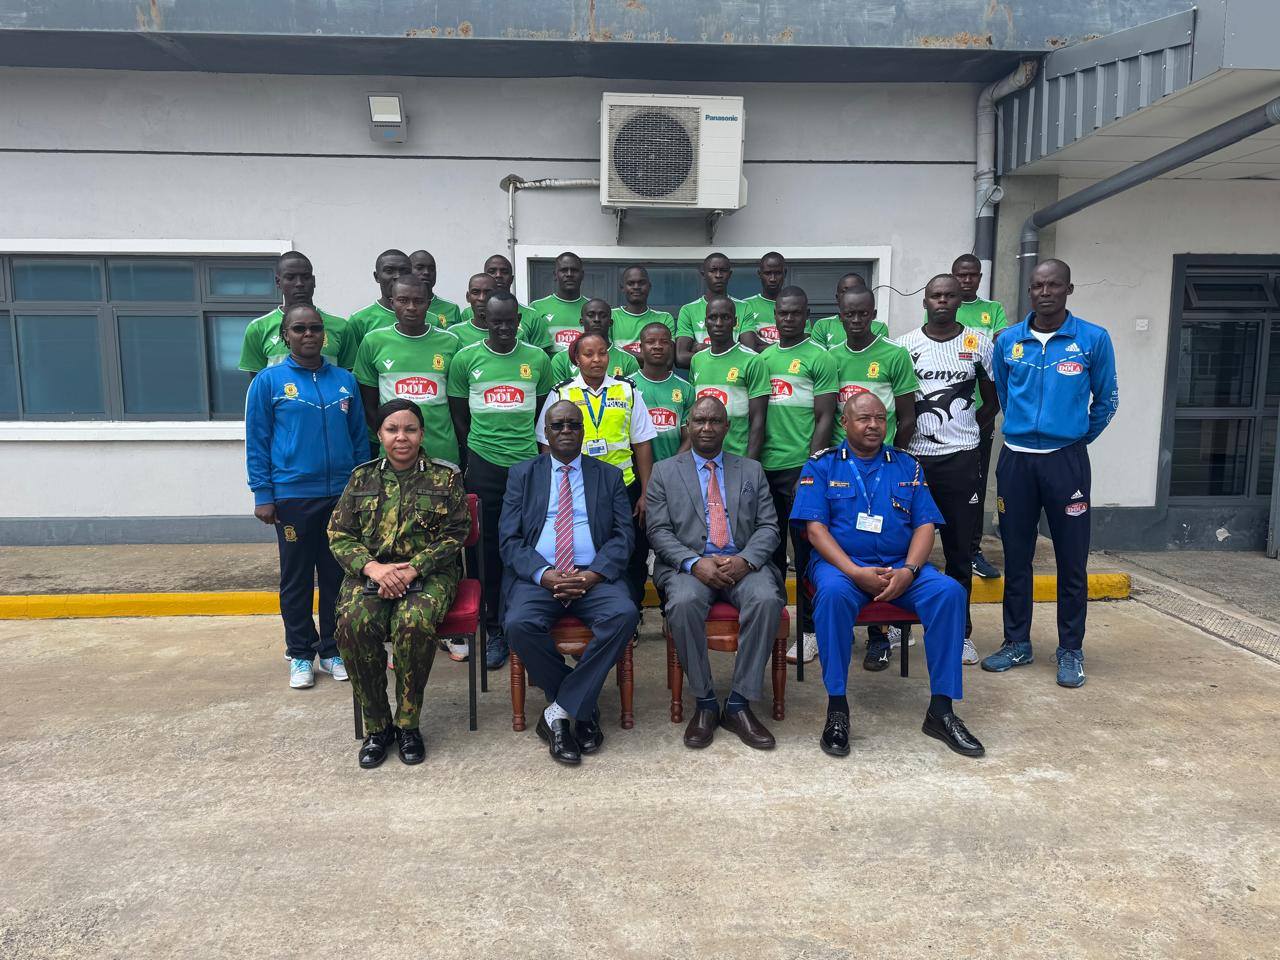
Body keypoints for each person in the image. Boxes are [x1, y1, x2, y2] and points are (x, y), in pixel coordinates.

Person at [792, 393, 986, 759]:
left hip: (901, 565)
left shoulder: (907, 466)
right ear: (845, 423)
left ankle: (941, 711)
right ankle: (837, 708)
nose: (873, 425)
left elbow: (926, 525)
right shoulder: (822, 466)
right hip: (842, 569)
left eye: (880, 418)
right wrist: (854, 572)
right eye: (864, 418)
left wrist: (910, 571)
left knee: (949, 593)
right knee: (831, 597)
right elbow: (815, 530)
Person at [983, 259, 1118, 689]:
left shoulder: (1093, 339)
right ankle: (1016, 642)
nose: (1045, 292)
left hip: (1067, 461)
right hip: (1017, 460)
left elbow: (1107, 400)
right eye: (1038, 285)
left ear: (1068, 289)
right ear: (1030, 291)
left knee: (1071, 560)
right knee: (1016, 556)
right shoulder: (1008, 341)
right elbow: (1004, 392)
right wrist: (1028, 431)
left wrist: (1073, 439)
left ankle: (1070, 649)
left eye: (1054, 285)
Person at [326, 399, 471, 768]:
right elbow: (339, 533)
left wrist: (413, 569)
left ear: (422, 433)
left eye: (409, 429)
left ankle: (408, 724)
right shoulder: (362, 478)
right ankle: (378, 727)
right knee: (352, 624)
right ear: (380, 435)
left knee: (412, 623)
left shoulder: (445, 476)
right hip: (371, 573)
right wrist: (373, 568)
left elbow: (457, 533)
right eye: (392, 430)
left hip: (428, 573)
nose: (401, 437)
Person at [500, 400, 640, 766]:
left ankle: (559, 711)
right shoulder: (522, 474)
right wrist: (544, 575)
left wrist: (592, 575)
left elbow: (624, 537)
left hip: (592, 575)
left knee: (624, 614)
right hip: (540, 576)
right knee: (518, 624)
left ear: (583, 431)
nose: (566, 431)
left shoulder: (608, 476)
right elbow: (509, 540)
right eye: (558, 425)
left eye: (573, 426)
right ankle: (581, 704)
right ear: (545, 432)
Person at [646, 396, 784, 750]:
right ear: (687, 427)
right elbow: (658, 531)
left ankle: (739, 703)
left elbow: (769, 526)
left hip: (743, 564)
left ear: (727, 427)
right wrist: (694, 563)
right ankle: (706, 703)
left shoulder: (751, 470)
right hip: (689, 567)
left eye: (714, 421)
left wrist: (746, 560)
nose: (706, 428)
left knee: (767, 598)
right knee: (684, 603)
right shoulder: (664, 471)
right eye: (699, 421)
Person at [245, 303, 367, 690]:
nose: (309, 334)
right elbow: (257, 441)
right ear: (286, 336)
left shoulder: (344, 380)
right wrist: (263, 493)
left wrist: (361, 487)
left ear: (324, 334)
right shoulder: (269, 381)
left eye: (315, 328)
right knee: (296, 579)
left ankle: (332, 650)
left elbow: (359, 439)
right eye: (299, 329)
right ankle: (299, 653)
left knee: (337, 576)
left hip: (340, 497)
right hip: (292, 497)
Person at [352, 273, 465, 659]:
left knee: (447, 534)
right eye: (404, 301)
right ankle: (391, 603)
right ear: (392, 300)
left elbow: (457, 402)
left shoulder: (450, 343)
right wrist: (391, 440)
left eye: (419, 301)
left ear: (429, 300)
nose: (412, 307)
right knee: (394, 531)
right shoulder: (374, 341)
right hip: (395, 456)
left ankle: (448, 627)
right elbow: (369, 403)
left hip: (442, 454)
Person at [895, 274, 999, 667]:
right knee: (901, 550)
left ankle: (961, 635)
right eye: (935, 296)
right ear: (924, 301)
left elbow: (991, 402)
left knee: (958, 553)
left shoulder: (978, 344)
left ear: (960, 300)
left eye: (949, 296)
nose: (942, 301)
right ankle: (896, 627)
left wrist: (967, 434)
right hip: (914, 460)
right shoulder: (904, 346)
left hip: (960, 460)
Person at [447, 292, 553, 669]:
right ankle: (493, 629)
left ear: (519, 320)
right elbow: (459, 416)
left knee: (530, 545)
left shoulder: (538, 359)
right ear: (484, 320)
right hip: (484, 465)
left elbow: (543, 414)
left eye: (510, 321)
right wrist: (470, 459)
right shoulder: (465, 359)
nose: (504, 328)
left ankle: (526, 622)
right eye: (496, 322)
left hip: (526, 468)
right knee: (485, 551)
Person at [826, 286, 919, 668]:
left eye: (863, 313)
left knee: (879, 544)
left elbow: (908, 415)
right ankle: (839, 628)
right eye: (849, 314)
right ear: (840, 313)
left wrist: (890, 458)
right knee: (843, 546)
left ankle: (880, 636)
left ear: (873, 313)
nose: (857, 320)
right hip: (841, 469)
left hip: (881, 466)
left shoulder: (894, 355)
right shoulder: (830, 358)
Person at [538, 331, 656, 605]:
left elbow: (642, 444)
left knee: (631, 552)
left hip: (623, 486)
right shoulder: (561, 392)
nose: (596, 360)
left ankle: (632, 613)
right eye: (588, 354)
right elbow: (547, 444)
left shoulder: (627, 390)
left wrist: (645, 492)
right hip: (577, 488)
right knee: (590, 548)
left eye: (602, 353)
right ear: (576, 359)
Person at [755, 286, 837, 665]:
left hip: (799, 469)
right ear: (774, 315)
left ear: (807, 315)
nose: (787, 319)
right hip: (763, 470)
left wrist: (811, 466)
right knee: (768, 553)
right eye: (782, 313)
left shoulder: (819, 358)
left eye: (795, 313)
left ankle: (809, 631)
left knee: (805, 553)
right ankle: (774, 622)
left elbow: (825, 416)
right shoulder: (764, 358)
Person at [946, 253, 1010, 581]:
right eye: (961, 275)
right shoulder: (946, 307)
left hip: (981, 414)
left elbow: (995, 351)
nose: (966, 280)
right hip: (943, 424)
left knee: (976, 486)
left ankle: (972, 550)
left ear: (980, 277)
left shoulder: (993, 310)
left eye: (972, 275)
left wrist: (983, 418)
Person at [239, 251, 355, 373]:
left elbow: (349, 378)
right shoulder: (258, 328)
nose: (299, 284)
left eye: (305, 277)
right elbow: (257, 382)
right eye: (290, 278)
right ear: (278, 282)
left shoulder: (341, 327)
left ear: (314, 281)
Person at [688, 294, 768, 459]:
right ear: (705, 322)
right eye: (713, 318)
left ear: (735, 322)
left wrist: (750, 464)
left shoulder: (753, 360)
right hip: (701, 460)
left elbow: (758, 421)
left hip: (738, 458)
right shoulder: (697, 360)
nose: (718, 323)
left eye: (725, 317)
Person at [675, 252, 749, 368]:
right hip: (701, 381)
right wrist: (730, 352)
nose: (718, 275)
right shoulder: (688, 310)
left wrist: (699, 347)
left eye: (723, 270)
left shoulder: (744, 307)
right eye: (713, 270)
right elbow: (681, 357)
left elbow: (748, 352)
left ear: (729, 274)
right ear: (703, 274)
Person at [459, 254, 549, 347]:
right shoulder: (467, 313)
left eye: (504, 272)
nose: (498, 275)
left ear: (512, 279)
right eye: (492, 271)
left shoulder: (532, 316)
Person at [633, 322, 692, 463]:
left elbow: (690, 437)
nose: (657, 346)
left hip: (675, 470)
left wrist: (670, 468)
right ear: (641, 348)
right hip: (635, 474)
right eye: (650, 342)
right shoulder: (627, 387)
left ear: (671, 348)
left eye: (664, 342)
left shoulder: (686, 388)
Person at [548, 298, 641, 382]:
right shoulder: (561, 359)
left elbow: (632, 395)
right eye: (591, 315)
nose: (597, 320)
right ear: (581, 321)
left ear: (611, 322)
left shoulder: (628, 360)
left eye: (603, 315)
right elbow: (558, 397)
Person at [346, 249, 413, 348]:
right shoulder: (359, 321)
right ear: (377, 276)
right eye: (389, 271)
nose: (398, 276)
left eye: (404, 271)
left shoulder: (431, 320)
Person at [612, 265, 675, 358]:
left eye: (641, 283)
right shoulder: (610, 316)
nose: (636, 287)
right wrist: (651, 357)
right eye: (631, 283)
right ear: (622, 288)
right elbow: (608, 354)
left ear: (649, 286)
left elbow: (667, 360)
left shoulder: (664, 318)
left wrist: (620, 351)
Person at [530, 251, 588, 354]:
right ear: (555, 275)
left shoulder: (593, 309)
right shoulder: (536, 307)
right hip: (550, 370)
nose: (569, 274)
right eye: (564, 270)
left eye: (574, 270)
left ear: (582, 275)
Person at [811, 273, 887, 349]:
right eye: (845, 291)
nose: (852, 295)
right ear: (837, 297)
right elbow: (820, 359)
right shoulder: (822, 325)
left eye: (857, 291)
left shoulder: (879, 326)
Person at [739, 251, 788, 351]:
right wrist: (784, 348)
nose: (772, 279)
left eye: (777, 273)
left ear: (785, 273)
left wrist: (760, 344)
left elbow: (800, 345)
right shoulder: (745, 306)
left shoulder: (797, 305)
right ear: (759, 274)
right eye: (768, 273)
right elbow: (749, 347)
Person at [408, 249, 463, 329]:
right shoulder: (399, 307)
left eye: (431, 269)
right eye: (420, 268)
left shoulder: (452, 308)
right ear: (408, 271)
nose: (426, 272)